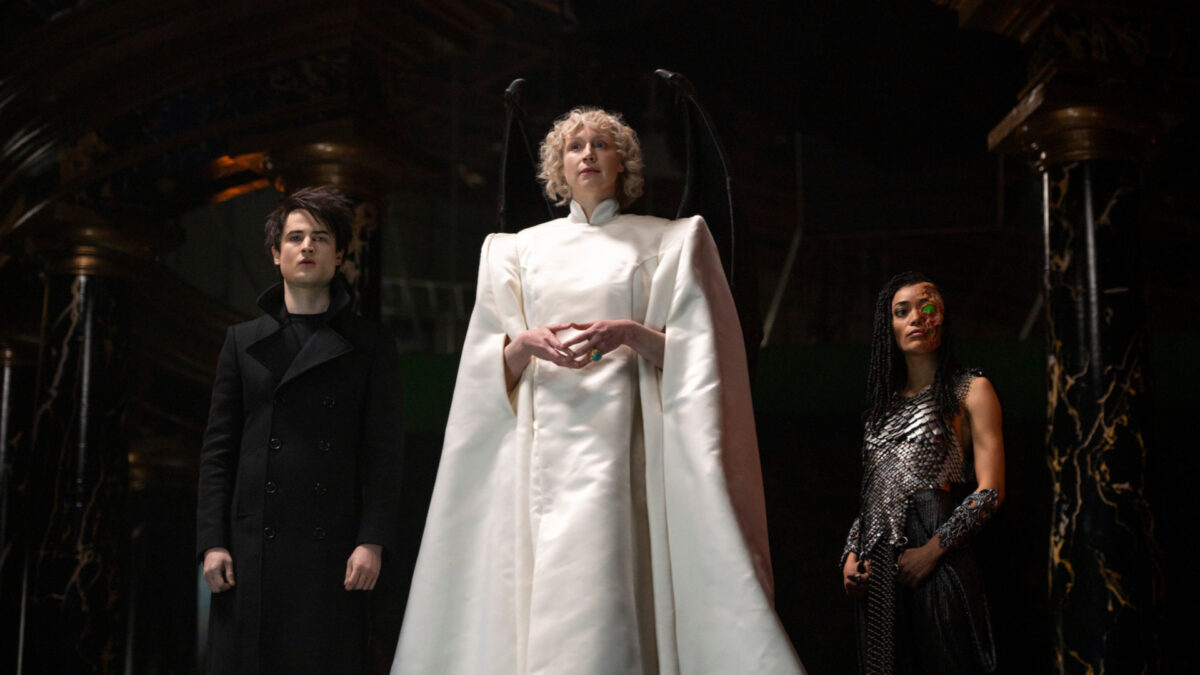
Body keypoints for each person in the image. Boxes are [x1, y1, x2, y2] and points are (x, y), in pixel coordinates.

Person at [392, 107, 804, 674]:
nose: (587, 153)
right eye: (574, 146)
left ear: (623, 163)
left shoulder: (669, 240)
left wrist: (630, 333)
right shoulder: (514, 252)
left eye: (602, 144)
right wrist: (524, 344)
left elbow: (708, 360)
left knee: (613, 570)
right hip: (540, 448)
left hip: (627, 449)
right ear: (558, 167)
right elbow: (481, 375)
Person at [196, 185, 403, 674]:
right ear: (276, 254)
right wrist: (212, 541)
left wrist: (372, 540)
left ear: (340, 255)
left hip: (332, 550)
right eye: (295, 237)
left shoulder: (371, 344)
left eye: (321, 237)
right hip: (250, 551)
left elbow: (385, 453)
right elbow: (218, 451)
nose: (307, 246)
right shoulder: (242, 342)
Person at [840, 271, 1004, 674]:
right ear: (889, 326)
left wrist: (932, 551)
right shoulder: (880, 413)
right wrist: (851, 553)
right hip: (878, 559)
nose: (916, 317)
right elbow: (875, 493)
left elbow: (991, 491)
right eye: (902, 311)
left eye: (927, 306)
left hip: (937, 543)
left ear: (943, 317)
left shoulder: (971, 388)